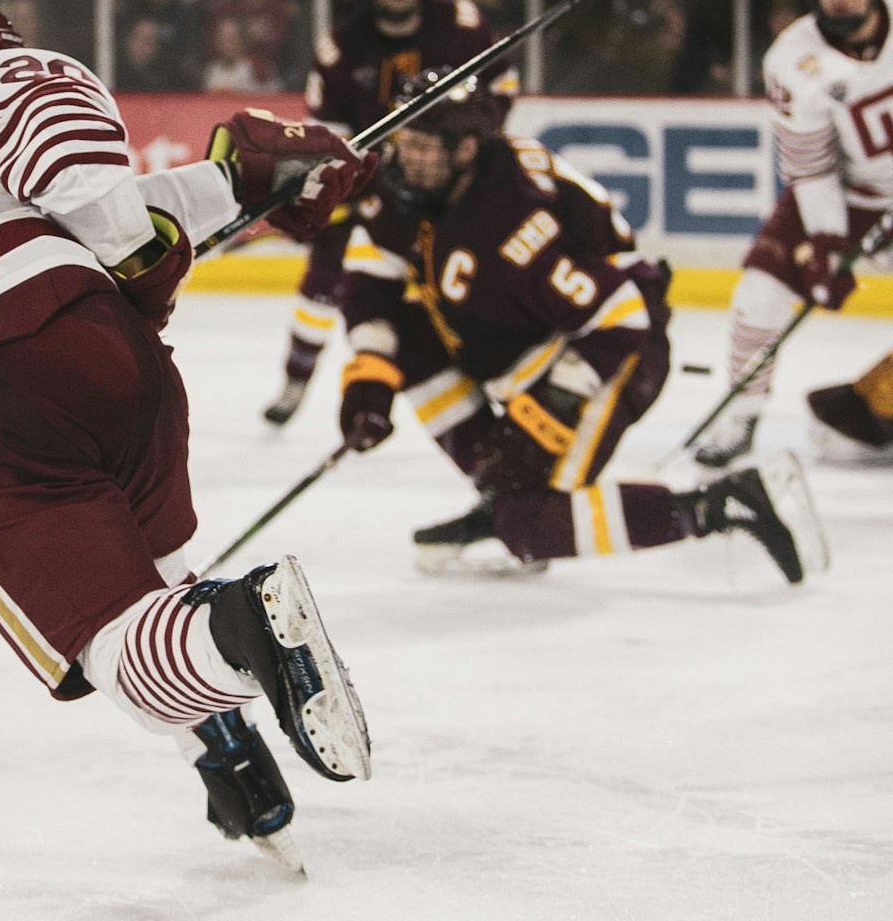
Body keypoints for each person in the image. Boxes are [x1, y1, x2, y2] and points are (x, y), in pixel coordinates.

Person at [0, 0, 375, 866]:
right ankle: (229, 758)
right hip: (112, 365)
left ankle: (246, 626)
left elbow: (99, 213)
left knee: (108, 647)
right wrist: (241, 187)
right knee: (161, 600)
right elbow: (98, 203)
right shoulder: (8, 82)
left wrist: (170, 237)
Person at [334, 76, 825, 585]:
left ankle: (721, 505)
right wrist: (369, 376)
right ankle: (504, 491)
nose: (402, 157)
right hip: (536, 339)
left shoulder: (510, 224)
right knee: (409, 339)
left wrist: (544, 419)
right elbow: (373, 280)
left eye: (419, 145)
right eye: (401, 142)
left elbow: (618, 317)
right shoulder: (418, 187)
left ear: (465, 150)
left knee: (532, 526)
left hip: (615, 351)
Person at [264, 0, 497, 428]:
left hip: (445, 185)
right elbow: (327, 133)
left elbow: (500, 91)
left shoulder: (460, 27)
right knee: (324, 280)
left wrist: (460, 156)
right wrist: (337, 185)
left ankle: (492, 370)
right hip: (369, 188)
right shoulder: (344, 46)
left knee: (477, 272)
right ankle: (296, 377)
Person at [695, 0, 893, 469]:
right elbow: (810, 168)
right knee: (759, 290)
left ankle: (878, 406)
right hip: (850, 194)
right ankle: (741, 416)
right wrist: (828, 242)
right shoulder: (793, 59)